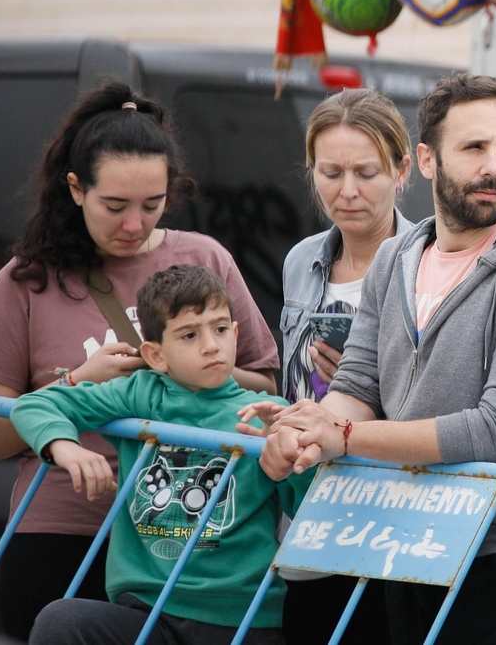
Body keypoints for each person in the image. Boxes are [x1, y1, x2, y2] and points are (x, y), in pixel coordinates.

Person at [244, 72, 496, 645]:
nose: (495, 167)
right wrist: (305, 430)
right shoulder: (395, 257)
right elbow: (356, 383)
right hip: (408, 533)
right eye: (474, 147)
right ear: (428, 161)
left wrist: (345, 436)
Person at [0, 81, 280, 642]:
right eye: (115, 206)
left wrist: (170, 373)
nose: (135, 225)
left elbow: (259, 384)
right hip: (60, 529)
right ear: (75, 189)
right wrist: (79, 382)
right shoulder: (28, 278)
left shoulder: (204, 257)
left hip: (193, 545)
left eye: (152, 205)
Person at [16, 265, 311, 645]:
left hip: (240, 617)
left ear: (236, 334)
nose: (210, 345)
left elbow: (306, 506)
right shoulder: (141, 393)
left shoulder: (266, 412)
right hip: (146, 608)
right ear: (155, 355)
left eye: (220, 329)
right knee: (61, 621)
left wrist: (289, 458)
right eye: (189, 334)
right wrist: (65, 447)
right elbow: (34, 406)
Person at [276, 90, 413, 645]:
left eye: (366, 172)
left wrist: (359, 385)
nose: (347, 191)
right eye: (330, 172)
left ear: (403, 170)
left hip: (392, 515)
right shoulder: (301, 260)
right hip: (307, 508)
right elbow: (287, 375)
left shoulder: (424, 263)